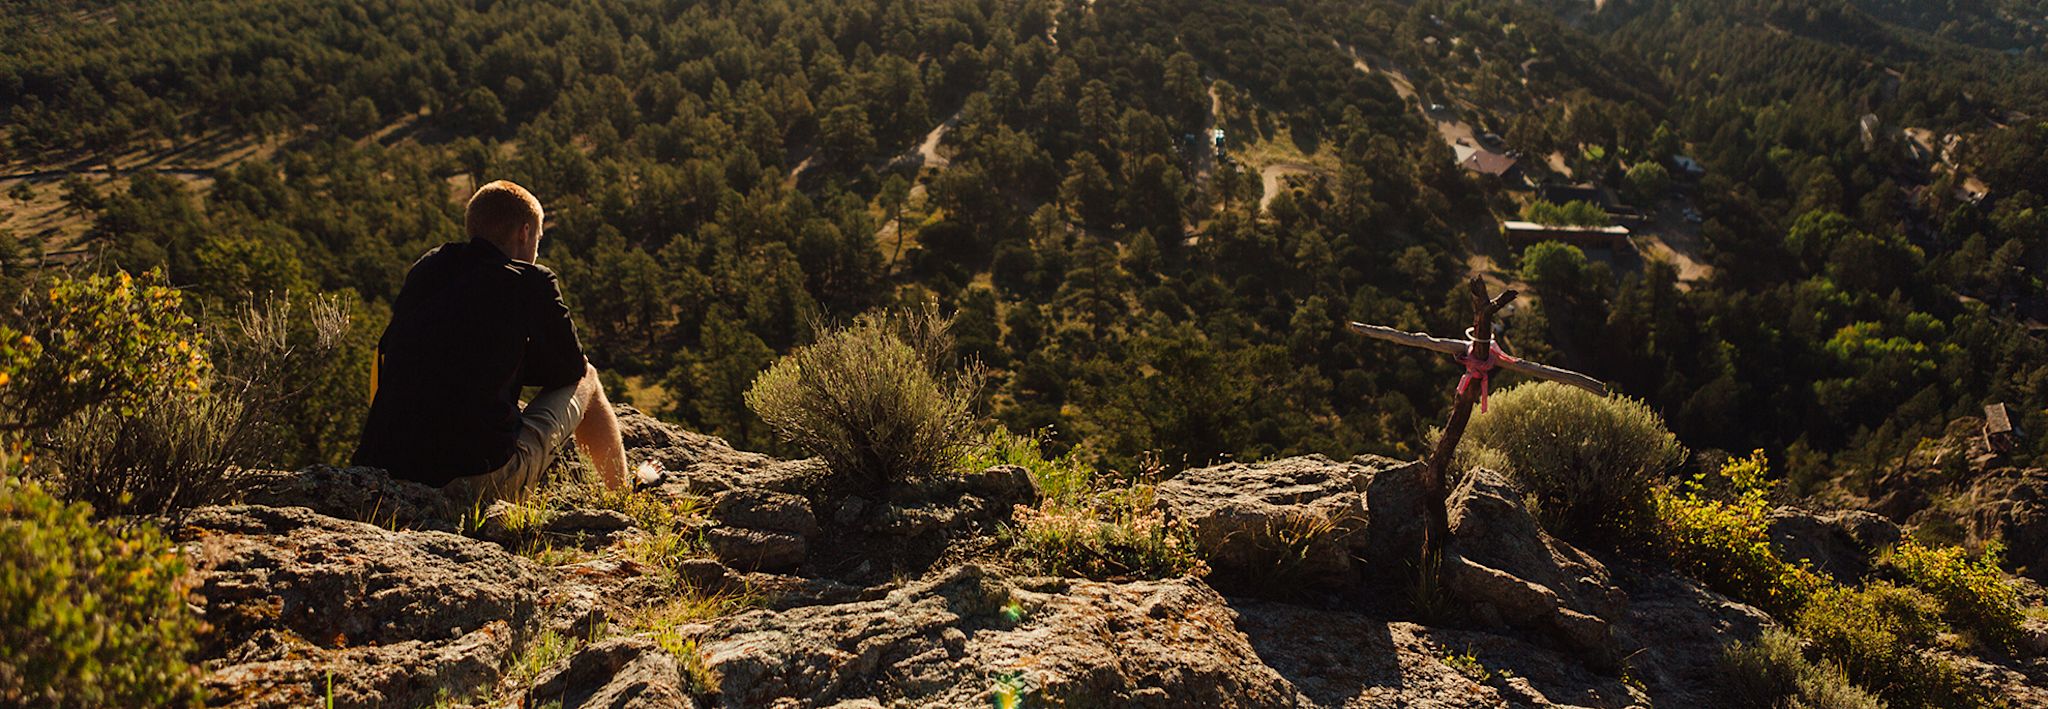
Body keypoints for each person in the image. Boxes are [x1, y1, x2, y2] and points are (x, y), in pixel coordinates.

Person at [352, 180, 627, 503]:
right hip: (476, 479)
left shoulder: (427, 268)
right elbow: (569, 369)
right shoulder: (531, 282)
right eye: (538, 238)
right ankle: (621, 494)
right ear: (525, 232)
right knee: (588, 377)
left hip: (386, 472)